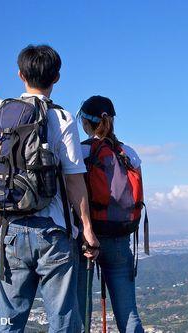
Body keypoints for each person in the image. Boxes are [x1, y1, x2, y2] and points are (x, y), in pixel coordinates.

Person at [0, 45, 99, 333]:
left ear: (20, 75)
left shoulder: (2, 110)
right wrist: (87, 228)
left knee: (9, 319)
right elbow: (74, 179)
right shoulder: (62, 118)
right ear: (57, 78)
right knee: (63, 319)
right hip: (52, 231)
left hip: (11, 229)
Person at [76, 96, 145, 333]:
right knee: (129, 315)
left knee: (81, 316)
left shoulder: (80, 152)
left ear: (85, 123)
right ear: (112, 120)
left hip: (85, 241)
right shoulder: (129, 153)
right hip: (119, 238)